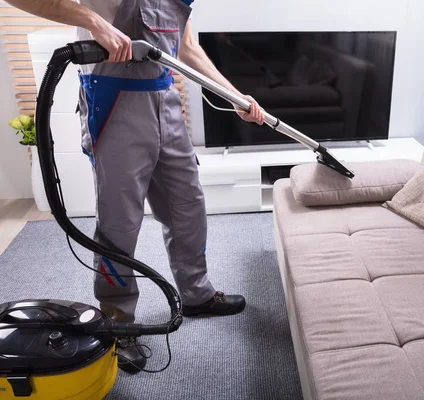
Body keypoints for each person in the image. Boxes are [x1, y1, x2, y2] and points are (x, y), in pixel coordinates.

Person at [7, 0, 265, 373]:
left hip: (165, 95)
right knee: (119, 222)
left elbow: (187, 45)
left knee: (187, 206)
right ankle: (118, 322)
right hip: (113, 98)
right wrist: (92, 20)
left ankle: (197, 293)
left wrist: (232, 95)